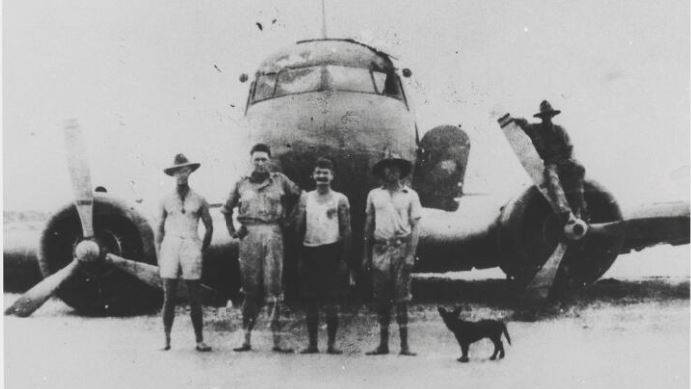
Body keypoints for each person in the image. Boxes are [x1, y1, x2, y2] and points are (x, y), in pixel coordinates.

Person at [221, 143, 301, 353]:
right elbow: (226, 209)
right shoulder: (241, 184)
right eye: (256, 159)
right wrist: (232, 231)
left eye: (264, 159)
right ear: (251, 161)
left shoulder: (280, 180)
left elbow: (299, 195)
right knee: (250, 290)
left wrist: (289, 218)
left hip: (274, 234)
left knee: (273, 288)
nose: (260, 163)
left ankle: (277, 341)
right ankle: (246, 339)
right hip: (249, 236)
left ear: (270, 161)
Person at [362, 152, 422, 356]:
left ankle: (405, 346)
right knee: (381, 299)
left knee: (402, 299)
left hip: (401, 248)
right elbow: (368, 226)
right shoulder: (374, 195)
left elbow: (415, 228)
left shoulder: (411, 195)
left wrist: (410, 255)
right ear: (382, 171)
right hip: (380, 250)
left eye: (396, 167)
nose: (392, 171)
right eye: (387, 167)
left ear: (401, 171)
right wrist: (365, 255)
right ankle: (383, 344)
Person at [155, 153, 213, 352]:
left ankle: (199, 340)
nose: (181, 174)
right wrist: (159, 254)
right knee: (168, 295)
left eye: (184, 170)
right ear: (173, 174)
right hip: (170, 245)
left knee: (194, 295)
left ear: (189, 171)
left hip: (191, 244)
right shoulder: (165, 199)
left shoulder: (199, 199)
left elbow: (209, 227)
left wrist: (200, 249)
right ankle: (166, 339)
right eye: (177, 171)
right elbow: (159, 229)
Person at [294, 157, 351, 354]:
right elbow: (299, 228)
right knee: (311, 300)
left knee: (332, 300)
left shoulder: (340, 199)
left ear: (332, 176)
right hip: (310, 251)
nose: (321, 176)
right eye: (318, 172)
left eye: (325, 173)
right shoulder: (305, 198)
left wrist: (344, 260)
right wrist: (300, 256)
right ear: (313, 175)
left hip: (332, 252)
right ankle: (312, 344)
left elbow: (346, 229)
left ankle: (332, 343)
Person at [513, 100, 587, 222]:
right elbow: (525, 124)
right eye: (544, 116)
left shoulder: (560, 130)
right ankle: (565, 211)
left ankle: (579, 208)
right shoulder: (535, 129)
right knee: (551, 177)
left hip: (564, 161)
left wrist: (568, 161)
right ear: (541, 117)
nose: (547, 118)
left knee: (579, 168)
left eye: (548, 115)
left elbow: (569, 147)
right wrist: (512, 120)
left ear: (552, 116)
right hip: (551, 163)